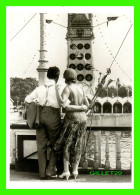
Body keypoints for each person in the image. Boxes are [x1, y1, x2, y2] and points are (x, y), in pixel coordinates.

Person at [25, 66, 87, 180]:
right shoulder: (61, 87)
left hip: (40, 116)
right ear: (58, 76)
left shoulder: (40, 88)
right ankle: (50, 171)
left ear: (47, 75)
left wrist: (37, 104)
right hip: (53, 117)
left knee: (41, 146)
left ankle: (42, 174)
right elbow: (65, 104)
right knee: (56, 145)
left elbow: (27, 100)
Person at [54, 68, 89, 180]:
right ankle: (75, 170)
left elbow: (65, 106)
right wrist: (82, 108)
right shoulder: (81, 89)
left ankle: (66, 171)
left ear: (65, 78)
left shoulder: (67, 89)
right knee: (78, 145)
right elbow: (87, 106)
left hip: (71, 120)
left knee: (67, 145)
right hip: (83, 120)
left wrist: (78, 108)